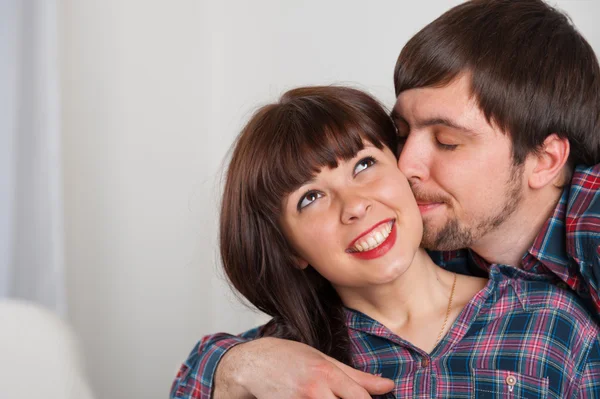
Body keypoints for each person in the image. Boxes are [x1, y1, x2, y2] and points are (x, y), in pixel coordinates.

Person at [172, 1, 600, 398]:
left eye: (447, 142)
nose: (408, 164)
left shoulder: (554, 315)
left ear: (545, 161)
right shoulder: (290, 357)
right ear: (288, 247)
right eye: (311, 197)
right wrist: (234, 366)